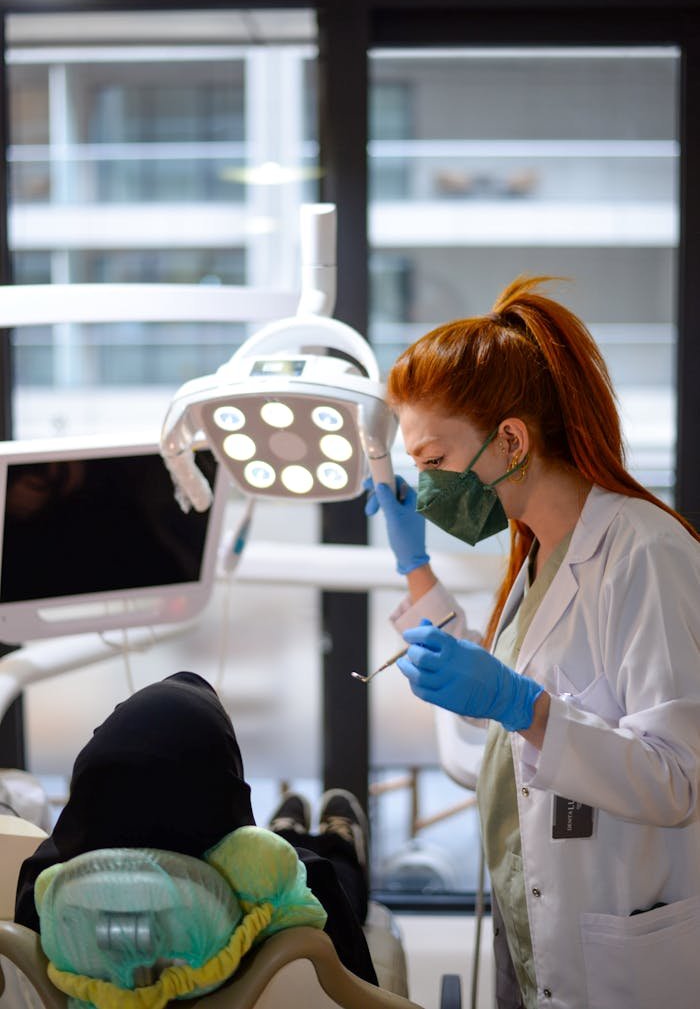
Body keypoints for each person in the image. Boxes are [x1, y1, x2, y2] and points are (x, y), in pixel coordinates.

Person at [365, 275, 700, 1009]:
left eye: (433, 462)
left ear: (510, 440)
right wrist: (413, 564)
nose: (425, 490)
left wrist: (523, 703)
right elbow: (492, 727)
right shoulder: (541, 552)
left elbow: (678, 780)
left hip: (617, 951)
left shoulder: (643, 551)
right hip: (535, 930)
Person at [14, 671, 377, 987]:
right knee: (330, 872)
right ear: (226, 787)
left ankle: (291, 829)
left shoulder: (43, 887)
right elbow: (363, 993)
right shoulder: (298, 881)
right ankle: (337, 841)